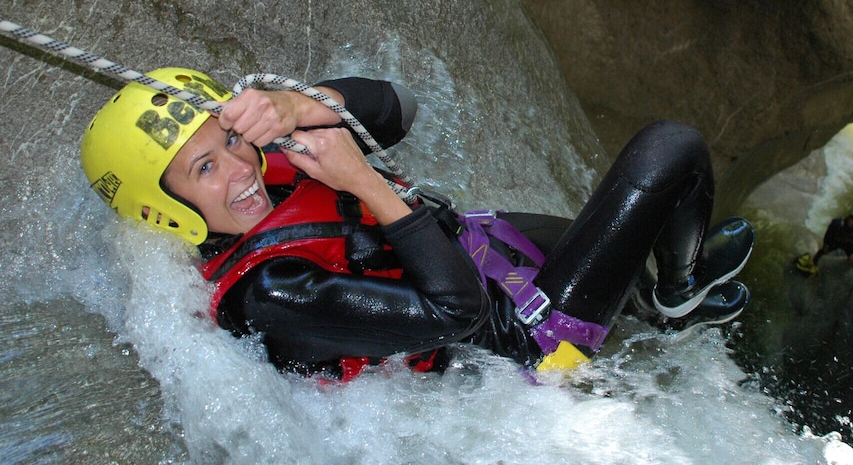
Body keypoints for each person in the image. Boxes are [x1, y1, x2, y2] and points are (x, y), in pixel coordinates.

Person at [80, 67, 753, 379]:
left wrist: (295, 105)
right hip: (523, 347)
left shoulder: (254, 175)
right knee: (673, 153)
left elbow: (398, 106)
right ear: (161, 209)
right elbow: (454, 313)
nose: (239, 167)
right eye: (205, 167)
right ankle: (675, 296)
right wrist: (362, 182)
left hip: (474, 249)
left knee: (627, 248)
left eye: (227, 139)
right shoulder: (268, 293)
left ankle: (663, 299)